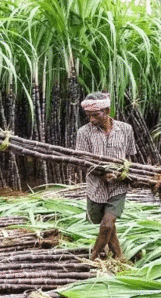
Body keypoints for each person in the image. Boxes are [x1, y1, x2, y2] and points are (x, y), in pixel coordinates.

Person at [76, 92, 136, 261]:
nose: (92, 119)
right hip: (96, 187)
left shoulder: (126, 129)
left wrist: (121, 174)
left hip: (119, 186)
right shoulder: (84, 133)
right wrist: (102, 174)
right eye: (89, 115)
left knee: (107, 223)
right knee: (106, 226)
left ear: (108, 110)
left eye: (96, 115)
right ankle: (119, 257)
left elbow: (130, 157)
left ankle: (92, 257)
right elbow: (84, 161)